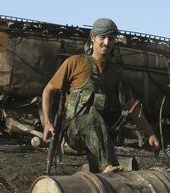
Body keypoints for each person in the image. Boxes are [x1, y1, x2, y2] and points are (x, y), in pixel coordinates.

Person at [41, 18, 160, 173]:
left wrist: (150, 133)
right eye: (102, 37)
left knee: (103, 181)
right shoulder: (75, 62)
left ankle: (108, 176)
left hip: (100, 132)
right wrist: (48, 123)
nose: (106, 42)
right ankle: (108, 166)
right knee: (92, 118)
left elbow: (132, 105)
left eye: (111, 38)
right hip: (74, 130)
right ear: (93, 38)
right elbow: (48, 90)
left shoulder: (116, 72)